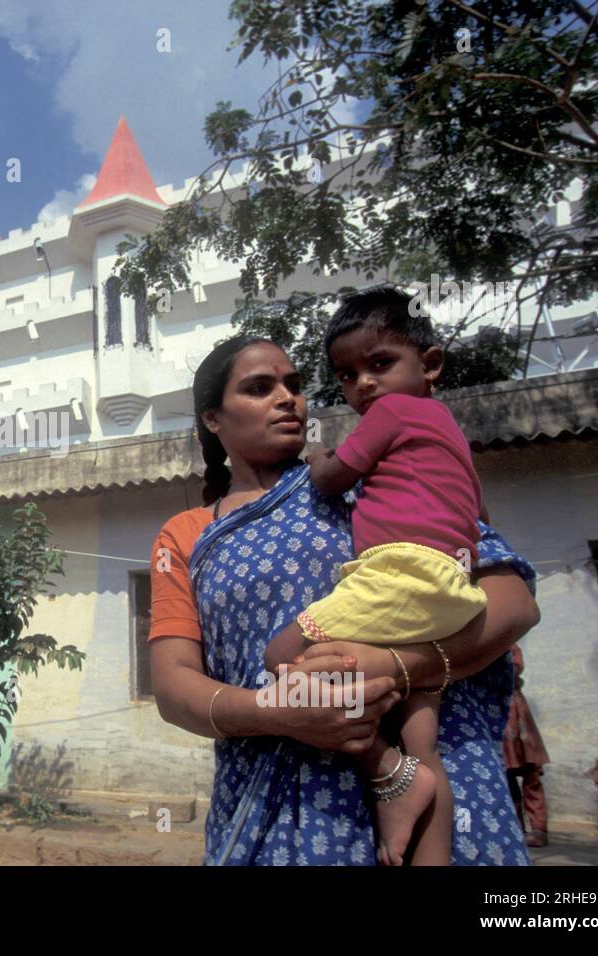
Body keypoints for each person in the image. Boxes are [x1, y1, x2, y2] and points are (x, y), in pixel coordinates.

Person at [149, 329, 541, 865]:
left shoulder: (379, 474)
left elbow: (512, 603)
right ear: (213, 418)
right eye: (259, 388)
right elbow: (174, 687)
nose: (288, 398)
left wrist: (389, 668)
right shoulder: (188, 534)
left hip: (433, 778)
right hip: (278, 810)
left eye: (293, 384)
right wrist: (276, 712)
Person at [261, 287, 486, 865]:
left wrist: (317, 460)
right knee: (422, 731)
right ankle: (418, 822)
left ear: (430, 363)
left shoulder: (390, 412)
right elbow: (479, 518)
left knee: (281, 656)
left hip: (398, 574)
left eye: (379, 364)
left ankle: (383, 768)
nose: (363, 383)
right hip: (455, 591)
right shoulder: (451, 434)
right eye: (346, 374)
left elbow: (333, 478)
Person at [504, 644, 551, 847]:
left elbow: (513, 669)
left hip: (518, 717)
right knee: (506, 778)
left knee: (531, 776)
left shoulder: (510, 647)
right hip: (500, 718)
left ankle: (539, 829)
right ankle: (517, 828)